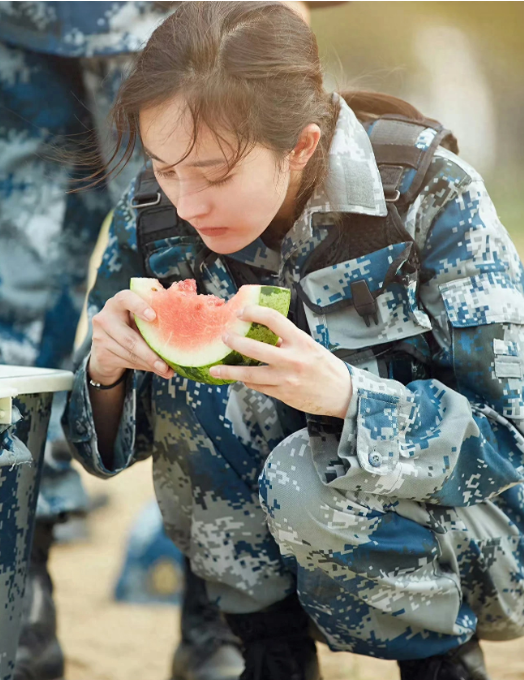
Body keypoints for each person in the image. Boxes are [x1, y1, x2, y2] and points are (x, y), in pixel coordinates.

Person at [63, 2, 524, 679]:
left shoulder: (433, 195)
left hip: (478, 553)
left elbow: (511, 438)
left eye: (216, 173)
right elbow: (93, 455)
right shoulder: (155, 218)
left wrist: (348, 399)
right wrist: (104, 375)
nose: (187, 202)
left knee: (302, 478)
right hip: (259, 576)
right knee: (203, 391)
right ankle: (268, 653)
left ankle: (439, 661)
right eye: (165, 167)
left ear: (302, 145)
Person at [0, 3, 243, 679]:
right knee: (8, 301)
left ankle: (225, 604)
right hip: (16, 24)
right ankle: (17, 595)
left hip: (169, 21)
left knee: (200, 254)